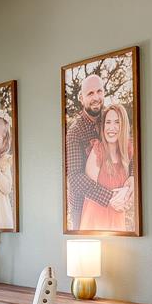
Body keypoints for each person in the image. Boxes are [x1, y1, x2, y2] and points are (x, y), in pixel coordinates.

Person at [65, 74, 119, 229]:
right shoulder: (75, 132)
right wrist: (109, 197)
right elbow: (75, 178)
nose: (96, 97)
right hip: (82, 208)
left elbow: (126, 149)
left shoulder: (111, 121)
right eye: (90, 93)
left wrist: (131, 180)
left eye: (99, 91)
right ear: (81, 98)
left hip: (113, 204)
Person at [79, 104, 134, 231]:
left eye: (117, 122)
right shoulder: (98, 150)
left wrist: (128, 197)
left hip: (117, 218)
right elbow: (89, 191)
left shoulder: (128, 151)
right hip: (95, 220)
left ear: (123, 125)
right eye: (108, 122)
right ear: (103, 126)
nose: (111, 128)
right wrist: (112, 199)